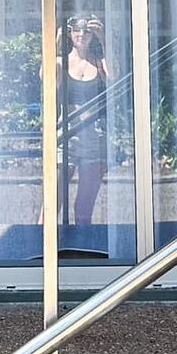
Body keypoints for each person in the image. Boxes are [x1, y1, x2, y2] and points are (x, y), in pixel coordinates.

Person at [57, 14, 111, 227]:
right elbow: (47, 79)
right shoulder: (61, 62)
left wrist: (104, 39)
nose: (81, 34)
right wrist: (56, 43)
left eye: (87, 30)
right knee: (52, 205)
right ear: (70, 33)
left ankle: (82, 253)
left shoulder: (98, 62)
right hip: (66, 137)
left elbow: (114, 77)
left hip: (93, 139)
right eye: (77, 30)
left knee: (83, 210)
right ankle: (41, 253)